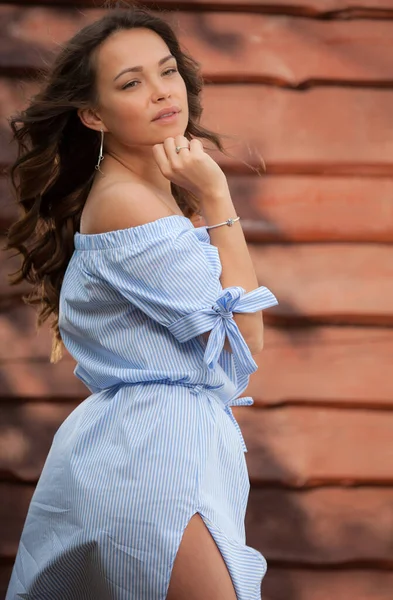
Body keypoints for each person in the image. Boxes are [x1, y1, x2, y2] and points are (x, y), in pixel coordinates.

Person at [4, 7, 278, 600]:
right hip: (151, 454)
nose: (160, 93)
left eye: (167, 71)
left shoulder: (150, 194)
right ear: (93, 114)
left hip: (162, 445)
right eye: (131, 83)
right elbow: (244, 339)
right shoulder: (130, 203)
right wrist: (217, 196)